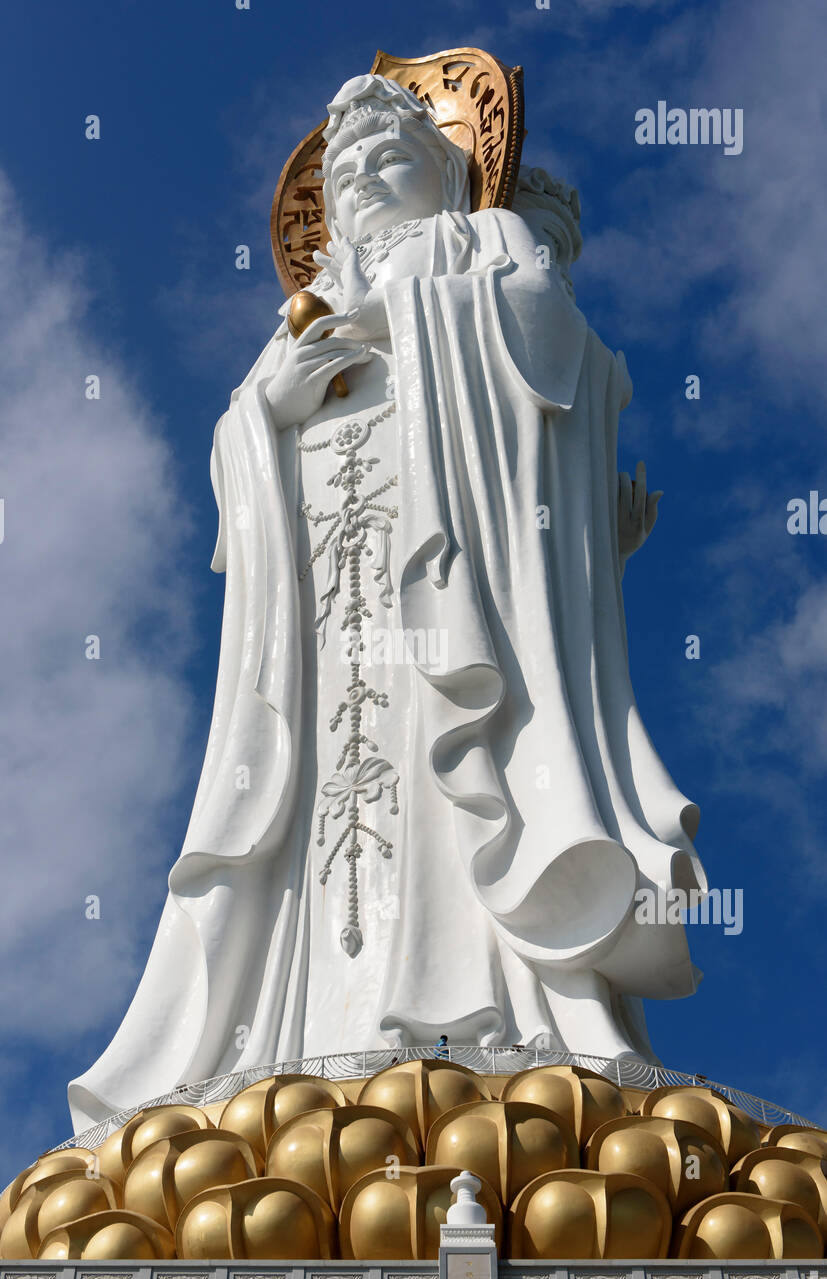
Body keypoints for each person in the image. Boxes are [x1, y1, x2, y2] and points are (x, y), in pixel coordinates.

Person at [68, 72, 705, 1131]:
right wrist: (268, 410)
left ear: (450, 168)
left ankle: (500, 1024)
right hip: (326, 610)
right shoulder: (302, 314)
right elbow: (238, 463)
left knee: (455, 771)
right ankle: (299, 1039)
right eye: (345, 168)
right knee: (323, 801)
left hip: (454, 581)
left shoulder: (477, 251)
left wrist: (404, 313)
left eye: (388, 157)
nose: (364, 178)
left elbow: (551, 345)